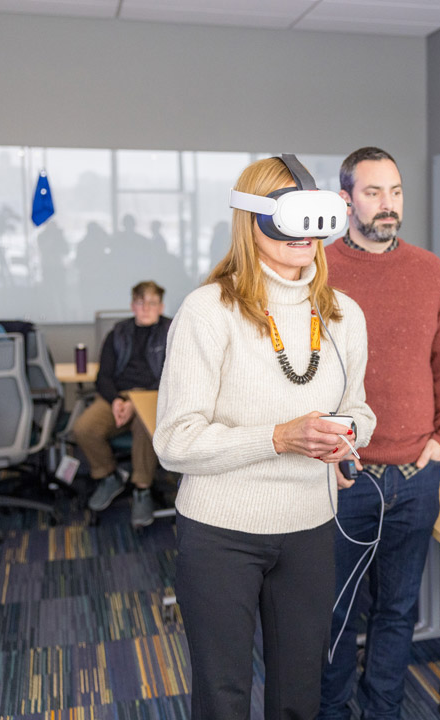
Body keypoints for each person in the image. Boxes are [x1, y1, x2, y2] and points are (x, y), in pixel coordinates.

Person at [152, 156, 376, 720]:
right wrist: (278, 437)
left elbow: (360, 411)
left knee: (299, 696)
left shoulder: (343, 314)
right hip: (221, 534)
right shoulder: (210, 311)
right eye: (287, 217)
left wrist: (345, 438)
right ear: (252, 221)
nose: (303, 235)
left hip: (309, 529)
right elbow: (175, 441)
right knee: (223, 698)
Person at [320, 147, 440, 719]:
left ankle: (382, 709)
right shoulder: (320, 270)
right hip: (345, 476)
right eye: (374, 192)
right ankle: (331, 710)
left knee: (398, 610)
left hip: (415, 476)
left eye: (396, 192)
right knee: (336, 611)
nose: (388, 205)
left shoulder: (429, 270)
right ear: (346, 200)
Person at [77, 280, 171, 528]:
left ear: (160, 306)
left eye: (151, 302)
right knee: (84, 429)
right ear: (132, 306)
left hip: (154, 396)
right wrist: (117, 400)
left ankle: (142, 488)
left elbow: (174, 377)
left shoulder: (172, 331)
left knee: (145, 426)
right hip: (118, 395)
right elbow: (103, 376)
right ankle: (109, 475)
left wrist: (136, 401)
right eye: (140, 302)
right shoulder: (118, 333)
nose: (146, 308)